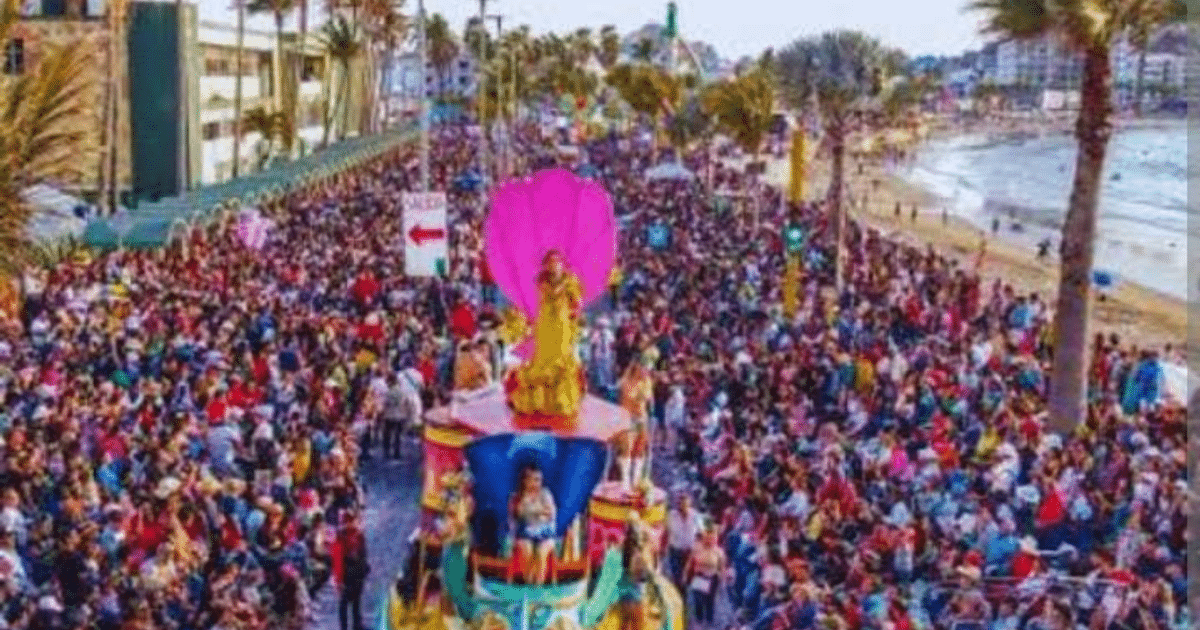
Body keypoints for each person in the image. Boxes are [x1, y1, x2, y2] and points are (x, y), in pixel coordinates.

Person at [507, 250, 585, 421]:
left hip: (561, 325)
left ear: (562, 264)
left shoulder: (570, 280)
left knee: (560, 359)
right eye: (550, 262)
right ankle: (540, 402)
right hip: (545, 324)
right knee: (543, 359)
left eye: (557, 261)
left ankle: (560, 402)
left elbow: (578, 303)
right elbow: (542, 297)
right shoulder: (541, 280)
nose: (554, 265)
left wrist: (574, 313)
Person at [509, 464, 557, 585]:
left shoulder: (545, 494)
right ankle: (529, 583)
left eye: (538, 480)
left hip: (545, 532)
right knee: (527, 550)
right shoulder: (518, 496)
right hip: (525, 532)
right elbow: (519, 513)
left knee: (541, 551)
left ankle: (538, 586)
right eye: (532, 479)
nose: (536, 483)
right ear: (525, 481)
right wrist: (537, 511)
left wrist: (531, 511)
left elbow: (550, 513)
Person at [683, 526, 725, 629]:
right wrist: (685, 575)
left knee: (710, 601)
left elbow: (722, 567)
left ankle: (709, 621)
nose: (710, 540)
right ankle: (699, 620)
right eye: (708, 537)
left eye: (713, 537)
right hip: (699, 576)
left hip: (712, 578)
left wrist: (722, 580)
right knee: (698, 599)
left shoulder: (719, 551)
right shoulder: (697, 548)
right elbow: (690, 563)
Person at [334, 511, 370, 630]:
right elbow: (338, 559)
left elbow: (363, 553)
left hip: (358, 572)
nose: (351, 523)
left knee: (357, 600)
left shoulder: (359, 535)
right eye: (348, 521)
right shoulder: (340, 536)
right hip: (346, 574)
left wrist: (364, 568)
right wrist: (339, 580)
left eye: (352, 520)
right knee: (344, 602)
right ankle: (344, 627)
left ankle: (357, 624)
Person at [666, 495, 702, 589]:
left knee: (689, 579)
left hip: (690, 552)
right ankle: (679, 594)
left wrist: (698, 549)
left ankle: (687, 593)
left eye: (686, 505)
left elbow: (701, 534)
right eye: (681, 504)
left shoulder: (695, 516)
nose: (683, 507)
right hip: (675, 550)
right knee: (677, 578)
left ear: (689, 505)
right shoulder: (671, 515)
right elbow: (666, 531)